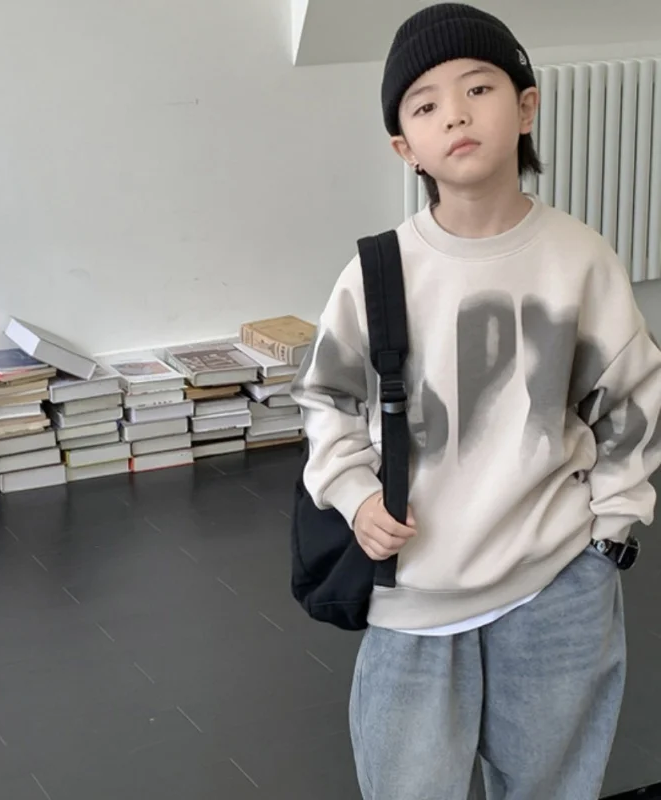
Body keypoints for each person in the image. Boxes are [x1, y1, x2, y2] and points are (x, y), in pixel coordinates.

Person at [290, 3, 661, 799]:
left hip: (557, 583)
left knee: (552, 786)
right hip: (415, 598)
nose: (455, 114)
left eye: (478, 89)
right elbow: (326, 401)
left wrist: (610, 535)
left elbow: (631, 400)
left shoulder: (580, 259)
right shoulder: (378, 273)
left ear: (526, 106)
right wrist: (354, 496)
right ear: (405, 146)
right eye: (425, 105)